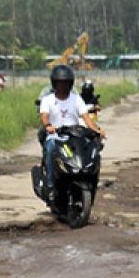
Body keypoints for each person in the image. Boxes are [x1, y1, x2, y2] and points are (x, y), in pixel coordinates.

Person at [39, 65, 105, 199]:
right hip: (56, 135)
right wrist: (48, 125)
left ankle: (91, 180)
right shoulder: (48, 100)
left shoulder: (76, 99)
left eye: (65, 83)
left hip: (74, 134)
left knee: (92, 147)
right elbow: (44, 116)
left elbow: (86, 119)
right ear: (54, 83)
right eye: (60, 83)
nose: (62, 86)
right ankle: (50, 185)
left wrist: (97, 130)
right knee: (51, 148)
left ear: (70, 83)